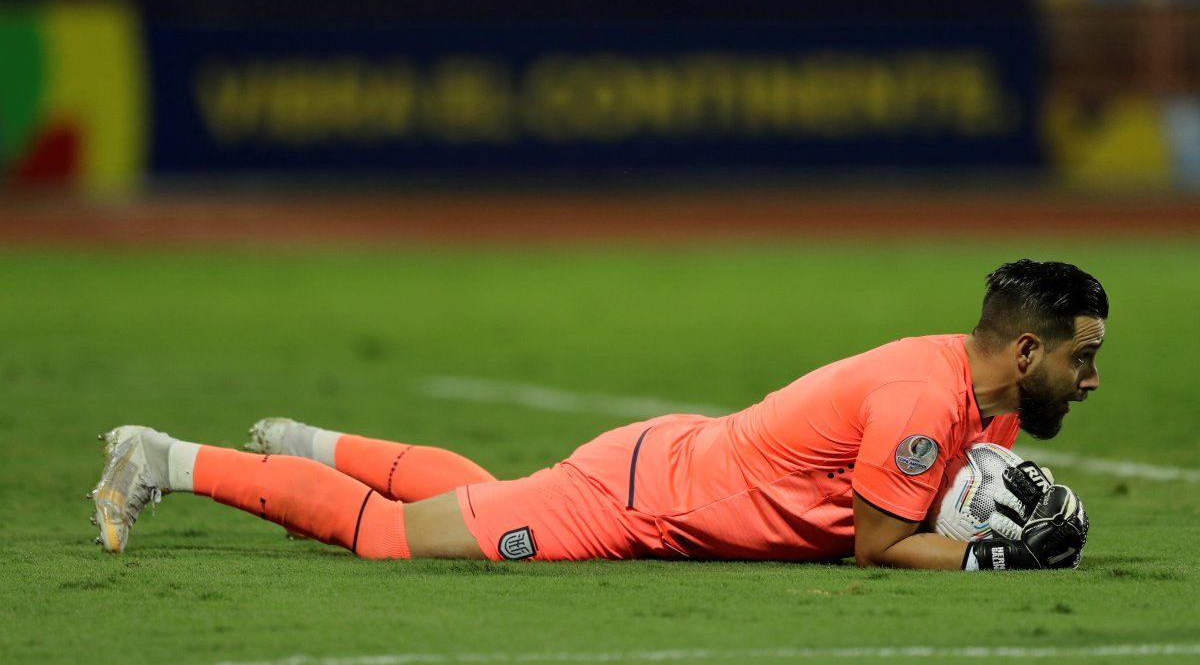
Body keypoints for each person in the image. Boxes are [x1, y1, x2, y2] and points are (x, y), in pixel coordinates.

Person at [89, 259, 1103, 570]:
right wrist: (992, 558)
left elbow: (929, 505)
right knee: (392, 541)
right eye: (1080, 355)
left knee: (489, 495)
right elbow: (881, 545)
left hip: (666, 463)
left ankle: (313, 442)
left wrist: (1000, 519)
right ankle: (162, 457)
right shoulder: (923, 400)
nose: (1090, 376)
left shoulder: (987, 406)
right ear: (1026, 352)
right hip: (640, 504)